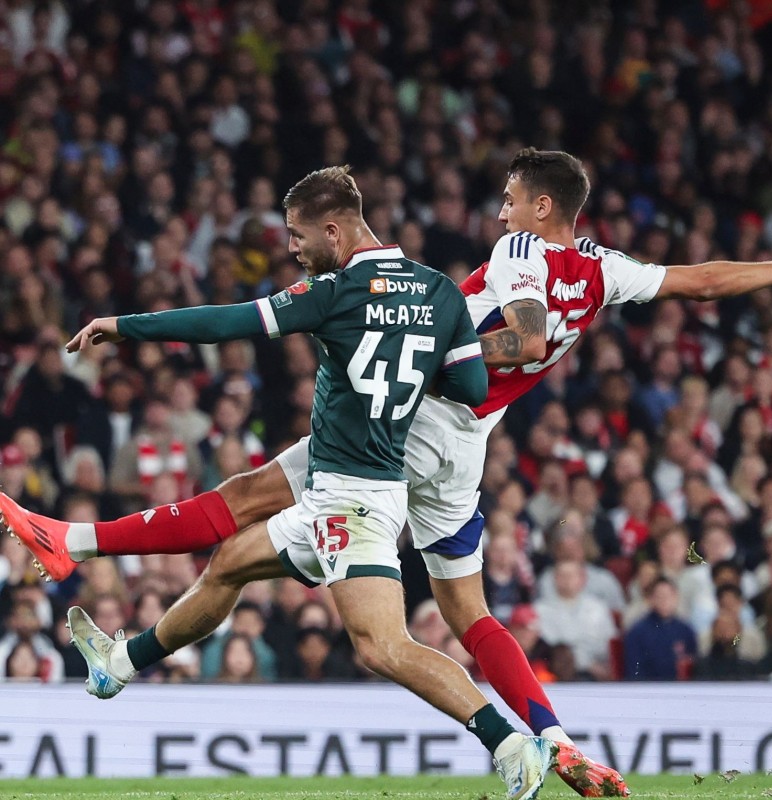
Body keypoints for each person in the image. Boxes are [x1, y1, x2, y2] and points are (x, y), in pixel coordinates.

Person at [8, 146, 772, 791]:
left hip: (405, 428)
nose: (501, 212)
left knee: (251, 508)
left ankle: (75, 545)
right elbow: (706, 281)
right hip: (467, 450)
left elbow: (520, 336)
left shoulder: (519, 251)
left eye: (511, 199)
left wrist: (425, 347)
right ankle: (553, 735)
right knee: (459, 611)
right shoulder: (604, 271)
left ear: (543, 210)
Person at [20, 165, 557, 800]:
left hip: (352, 498)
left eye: (299, 237)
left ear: (335, 230)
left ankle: (511, 744)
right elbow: (470, 388)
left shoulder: (334, 292)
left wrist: (125, 325)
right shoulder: (440, 292)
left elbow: (227, 324)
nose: (293, 249)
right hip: (359, 480)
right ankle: (118, 658)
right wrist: (411, 357)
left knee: (382, 645)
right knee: (229, 562)